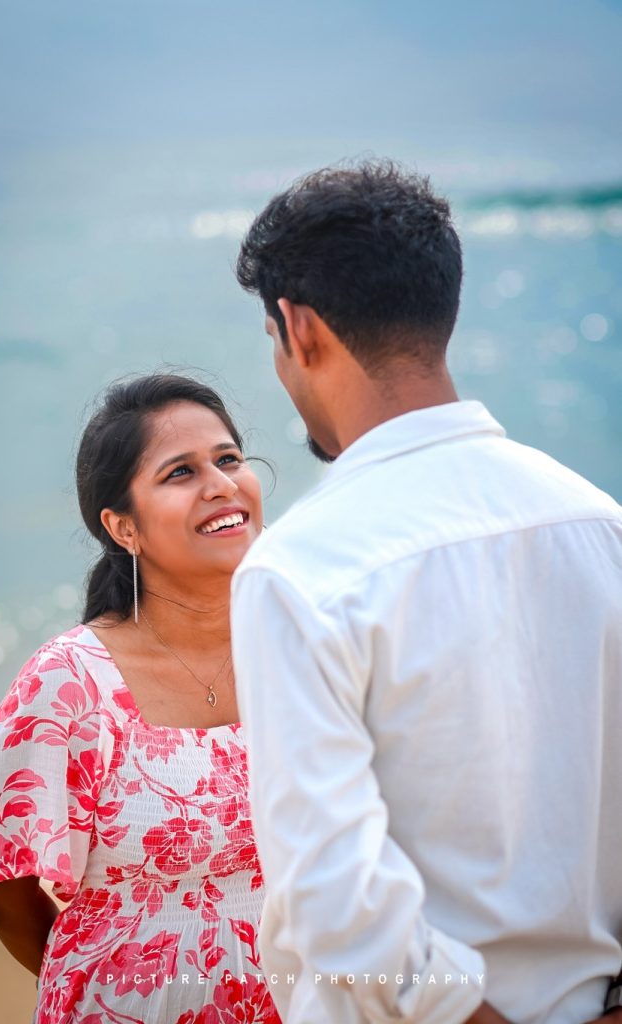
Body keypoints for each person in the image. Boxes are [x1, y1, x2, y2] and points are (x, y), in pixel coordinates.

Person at [230, 160, 622, 1024]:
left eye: (271, 339)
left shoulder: (300, 568)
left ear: (298, 330)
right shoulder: (597, 523)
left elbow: (335, 901)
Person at [0, 373, 282, 1024]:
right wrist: (108, 977)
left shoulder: (302, 648)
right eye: (179, 473)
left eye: (227, 458)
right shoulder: (70, 684)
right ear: (123, 527)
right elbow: (4, 888)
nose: (221, 483)